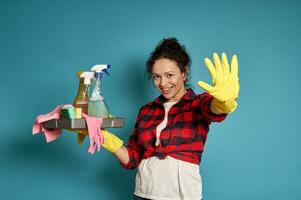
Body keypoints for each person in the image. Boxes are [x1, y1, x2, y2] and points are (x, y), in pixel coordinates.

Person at [100, 37, 239, 200]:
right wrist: (103, 137)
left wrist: (223, 103)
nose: (162, 83)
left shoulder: (198, 103)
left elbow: (213, 109)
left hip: (183, 196)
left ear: (184, 73)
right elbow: (132, 158)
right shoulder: (146, 111)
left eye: (169, 75)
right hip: (142, 194)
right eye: (156, 76)